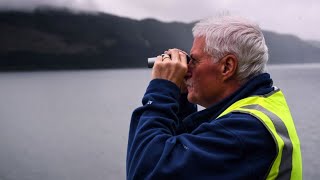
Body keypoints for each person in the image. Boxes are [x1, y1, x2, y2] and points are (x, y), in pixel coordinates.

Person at [126, 16, 302, 179]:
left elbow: (145, 172)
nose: (186, 70)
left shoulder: (243, 133)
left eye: (193, 61)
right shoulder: (259, 106)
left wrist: (162, 89)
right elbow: (185, 157)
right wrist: (180, 97)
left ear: (227, 67)